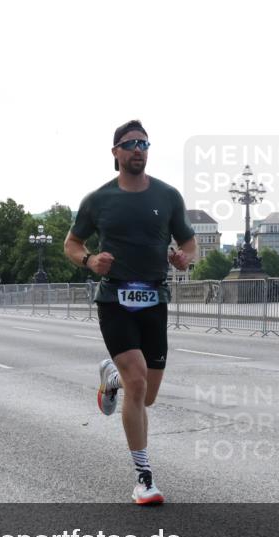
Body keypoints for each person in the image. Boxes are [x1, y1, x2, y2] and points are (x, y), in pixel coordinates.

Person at [64, 120, 196, 505]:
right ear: (116, 153)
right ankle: (143, 477)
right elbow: (72, 243)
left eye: (143, 143)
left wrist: (185, 258)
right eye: (130, 144)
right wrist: (89, 260)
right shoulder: (99, 200)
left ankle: (111, 379)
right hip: (114, 300)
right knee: (138, 382)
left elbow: (188, 241)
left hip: (154, 301)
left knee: (147, 394)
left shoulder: (168, 196)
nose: (138, 149)